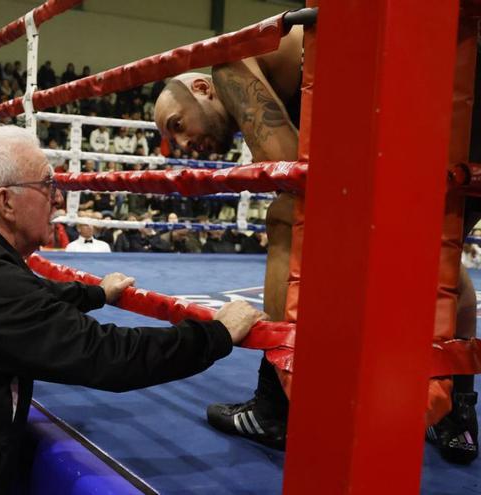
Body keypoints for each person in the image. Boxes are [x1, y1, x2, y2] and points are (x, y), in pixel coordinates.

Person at [0, 126, 265, 493]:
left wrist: (95, 295)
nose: (58, 197)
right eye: (46, 184)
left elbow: (29, 296)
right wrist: (216, 335)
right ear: (6, 201)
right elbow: (106, 356)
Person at [154, 23, 479, 462]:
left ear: (202, 88)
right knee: (441, 256)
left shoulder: (230, 65)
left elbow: (294, 175)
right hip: (458, 95)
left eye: (177, 125)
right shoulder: (286, 66)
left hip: (432, 96)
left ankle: (274, 406)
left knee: (286, 216)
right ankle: (457, 415)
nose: (183, 143)